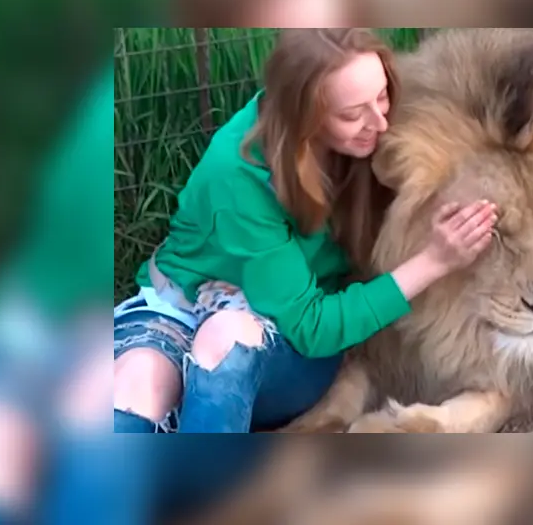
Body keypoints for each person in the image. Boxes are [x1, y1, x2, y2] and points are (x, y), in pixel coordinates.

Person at [113, 28, 497, 434]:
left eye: (383, 95)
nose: (381, 122)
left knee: (226, 340)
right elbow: (315, 327)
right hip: (186, 307)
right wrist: (433, 261)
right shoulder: (237, 175)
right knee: (136, 387)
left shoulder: (378, 132)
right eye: (352, 114)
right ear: (304, 116)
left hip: (264, 339)